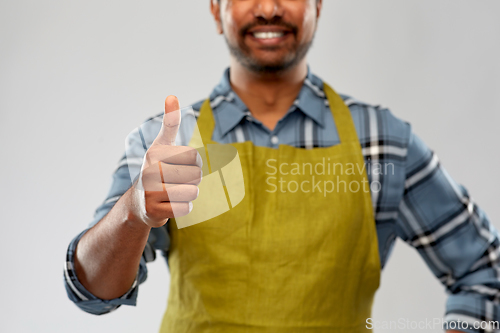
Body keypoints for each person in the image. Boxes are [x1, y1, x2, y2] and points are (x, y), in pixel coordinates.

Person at [64, 1, 500, 332]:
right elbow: (91, 294)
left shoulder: (383, 143)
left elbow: (484, 268)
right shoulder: (170, 142)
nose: (270, 8)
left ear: (318, 7)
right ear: (216, 10)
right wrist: (133, 210)